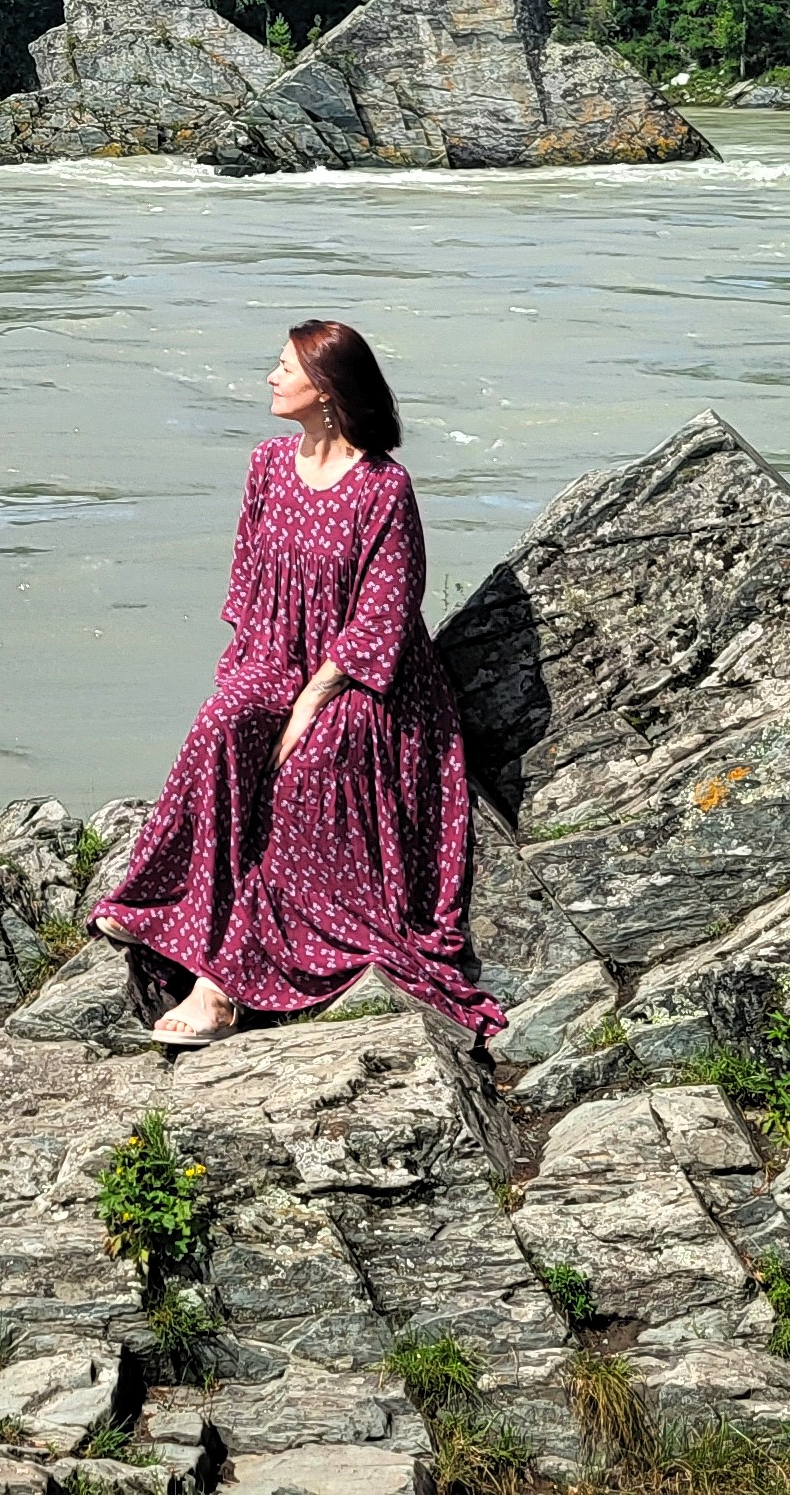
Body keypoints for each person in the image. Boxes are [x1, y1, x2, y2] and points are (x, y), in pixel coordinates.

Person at [88, 321, 509, 1051]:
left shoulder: (384, 488)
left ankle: (219, 988)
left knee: (306, 772)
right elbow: (249, 581)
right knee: (223, 723)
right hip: (275, 654)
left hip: (365, 682)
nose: (270, 378)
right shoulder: (266, 466)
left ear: (329, 389)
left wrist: (309, 704)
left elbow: (385, 613)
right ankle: (163, 899)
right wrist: (254, 680)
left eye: (284, 368)